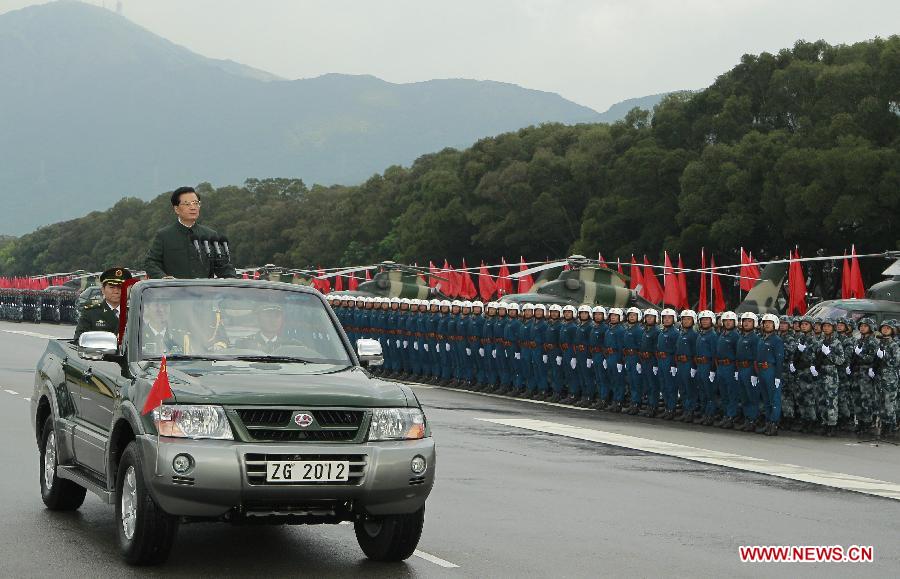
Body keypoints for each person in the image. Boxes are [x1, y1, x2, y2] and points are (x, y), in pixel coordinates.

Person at [144, 186, 237, 279]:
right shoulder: (164, 235)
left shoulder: (210, 235)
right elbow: (151, 262)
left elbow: (223, 266)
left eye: (196, 203)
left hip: (204, 292)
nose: (193, 207)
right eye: (187, 204)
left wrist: (232, 280)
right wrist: (163, 278)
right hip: (173, 291)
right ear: (176, 209)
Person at [74, 267, 132, 340]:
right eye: (112, 287)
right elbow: (79, 340)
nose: (116, 291)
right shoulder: (91, 313)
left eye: (120, 288)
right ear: (103, 290)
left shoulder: (133, 314)